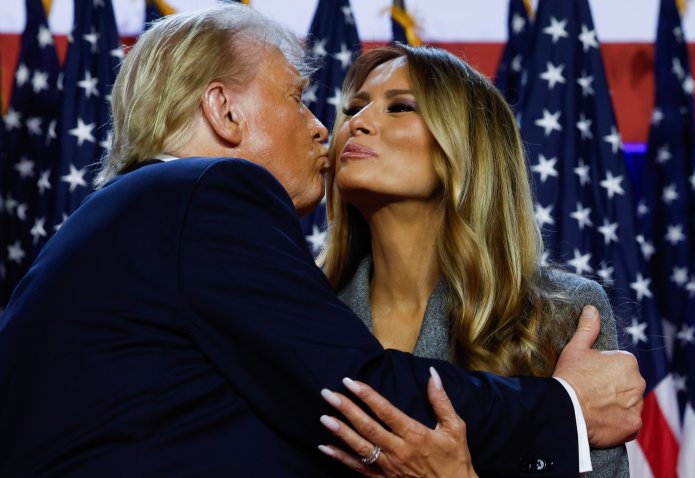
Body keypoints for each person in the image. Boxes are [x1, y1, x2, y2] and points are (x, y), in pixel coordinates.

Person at [0, 5, 644, 477]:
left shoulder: (560, 312)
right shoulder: (208, 195)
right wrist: (564, 406)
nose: (330, 127)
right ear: (225, 113)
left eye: (400, 106)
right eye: (305, 100)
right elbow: (364, 390)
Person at [314, 45, 630, 477]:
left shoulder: (561, 313)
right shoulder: (305, 306)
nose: (356, 123)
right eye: (354, 107)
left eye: (400, 107)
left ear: (466, 146)